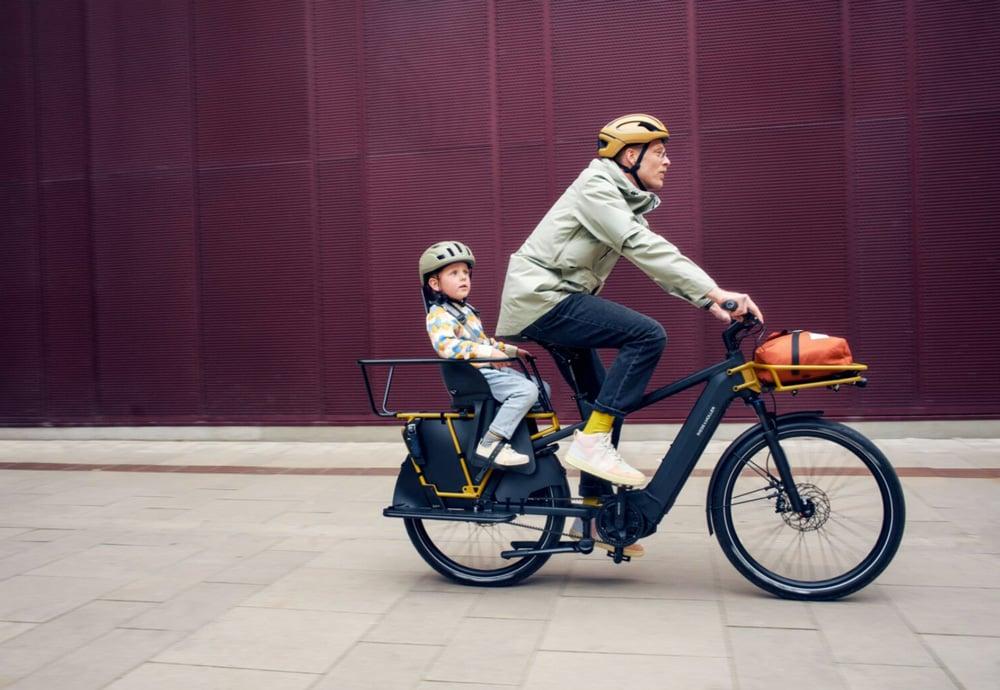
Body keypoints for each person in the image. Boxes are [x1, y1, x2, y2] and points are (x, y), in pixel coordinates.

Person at [496, 114, 763, 555]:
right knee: (647, 336)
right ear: (630, 155)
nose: (668, 161)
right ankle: (592, 443)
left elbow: (655, 258)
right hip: (542, 298)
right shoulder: (596, 187)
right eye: (659, 152)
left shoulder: (618, 197)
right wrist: (715, 290)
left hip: (554, 298)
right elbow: (642, 247)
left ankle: (595, 515)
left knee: (605, 402)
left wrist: (706, 301)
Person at [421, 241, 540, 468]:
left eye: (465, 272)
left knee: (541, 389)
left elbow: (484, 342)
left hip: (486, 372)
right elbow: (446, 346)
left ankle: (515, 435)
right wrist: (488, 352)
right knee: (526, 391)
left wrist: (512, 351)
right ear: (435, 283)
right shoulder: (438, 314)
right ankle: (490, 443)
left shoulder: (466, 310)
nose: (463, 277)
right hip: (471, 377)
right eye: (454, 273)